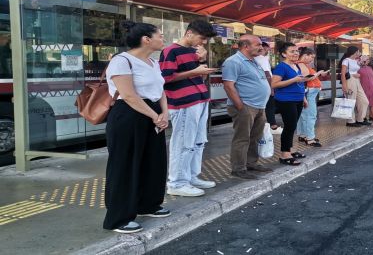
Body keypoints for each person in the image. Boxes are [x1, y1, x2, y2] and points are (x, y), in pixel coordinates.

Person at [103, 21, 170, 234]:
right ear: (146, 39)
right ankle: (118, 218)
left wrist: (164, 113)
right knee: (125, 164)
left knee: (154, 161)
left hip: (152, 113)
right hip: (129, 115)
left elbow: (161, 90)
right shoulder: (121, 61)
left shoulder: (153, 62)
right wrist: (155, 116)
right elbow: (129, 95)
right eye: (160, 36)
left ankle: (148, 204)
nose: (163, 39)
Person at [160, 20, 217, 197]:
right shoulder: (170, 51)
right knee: (183, 142)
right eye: (202, 38)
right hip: (183, 102)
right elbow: (166, 78)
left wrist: (201, 61)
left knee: (198, 141)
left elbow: (198, 73)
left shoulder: (194, 51)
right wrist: (194, 72)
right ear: (189, 33)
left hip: (199, 99)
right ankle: (176, 182)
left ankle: (191, 176)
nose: (204, 42)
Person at [222, 35, 273, 179]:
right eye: (257, 44)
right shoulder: (233, 62)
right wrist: (240, 106)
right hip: (246, 106)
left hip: (259, 106)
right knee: (242, 138)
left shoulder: (254, 61)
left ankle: (251, 163)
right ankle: (238, 168)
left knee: (255, 137)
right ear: (245, 46)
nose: (261, 47)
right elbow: (228, 85)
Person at [272, 42, 315, 165]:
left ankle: (290, 150)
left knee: (293, 126)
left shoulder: (296, 66)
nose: (296, 53)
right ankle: (285, 154)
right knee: (289, 126)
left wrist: (304, 99)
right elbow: (274, 84)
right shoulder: (281, 67)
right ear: (284, 54)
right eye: (292, 51)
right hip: (286, 100)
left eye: (297, 51)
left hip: (298, 99)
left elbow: (300, 84)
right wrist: (294, 79)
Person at [296, 47, 326, 147]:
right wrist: (319, 73)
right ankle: (310, 138)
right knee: (310, 115)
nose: (312, 60)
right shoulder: (301, 64)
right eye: (311, 57)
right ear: (305, 55)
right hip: (309, 93)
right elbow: (306, 77)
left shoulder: (299, 64)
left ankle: (303, 135)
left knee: (303, 115)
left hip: (308, 93)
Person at [255, 42, 283, 135]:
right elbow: (267, 74)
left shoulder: (253, 58)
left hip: (258, 86)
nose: (267, 52)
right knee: (270, 106)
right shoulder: (262, 59)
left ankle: (263, 126)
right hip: (266, 85)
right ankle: (272, 126)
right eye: (266, 50)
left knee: (262, 107)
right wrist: (271, 88)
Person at [340, 46, 371, 127]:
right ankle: (350, 121)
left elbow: (357, 67)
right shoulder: (346, 61)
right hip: (349, 81)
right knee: (350, 101)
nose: (359, 53)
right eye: (358, 52)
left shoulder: (355, 60)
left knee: (364, 101)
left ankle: (360, 119)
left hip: (357, 81)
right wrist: (344, 86)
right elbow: (343, 73)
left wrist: (362, 62)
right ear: (355, 52)